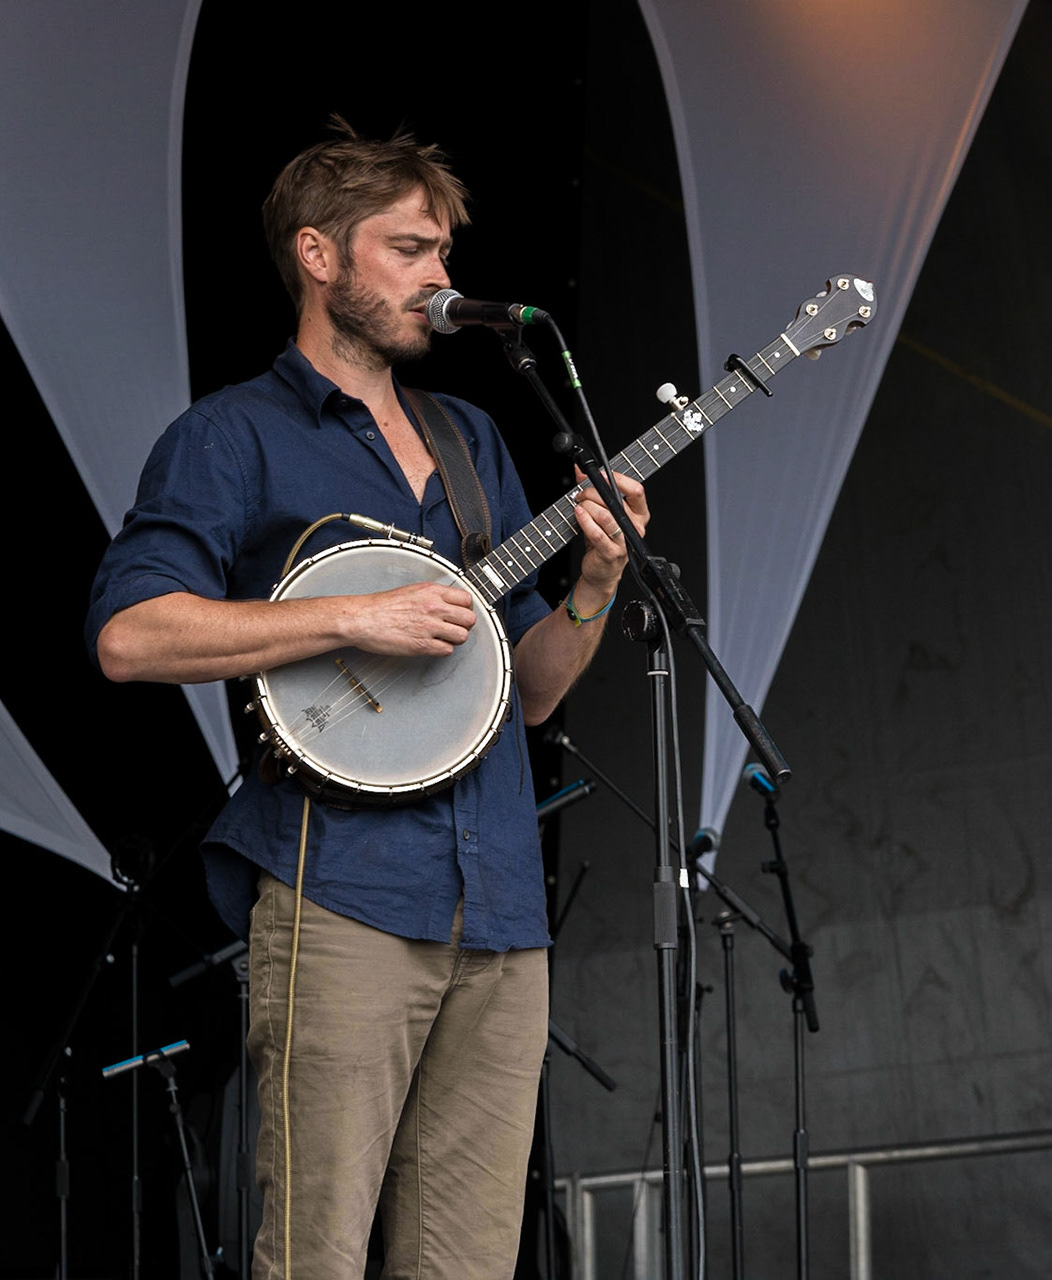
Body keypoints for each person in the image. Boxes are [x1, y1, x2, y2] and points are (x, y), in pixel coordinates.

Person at [85, 122, 648, 1279]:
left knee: (468, 1264)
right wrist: (352, 617)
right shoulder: (231, 434)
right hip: (339, 889)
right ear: (319, 255)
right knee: (317, 1256)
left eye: (443, 252)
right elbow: (129, 636)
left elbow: (531, 694)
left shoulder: (471, 435)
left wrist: (594, 584)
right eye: (409, 249)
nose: (441, 277)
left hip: (501, 905)